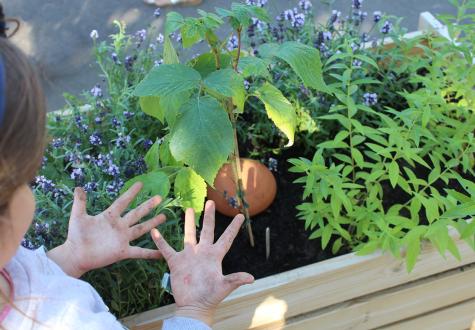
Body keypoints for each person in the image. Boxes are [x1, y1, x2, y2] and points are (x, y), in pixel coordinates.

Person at [0, 12, 253, 330]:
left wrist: (70, 257)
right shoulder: (71, 322)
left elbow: (19, 282)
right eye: (27, 181)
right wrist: (195, 311)